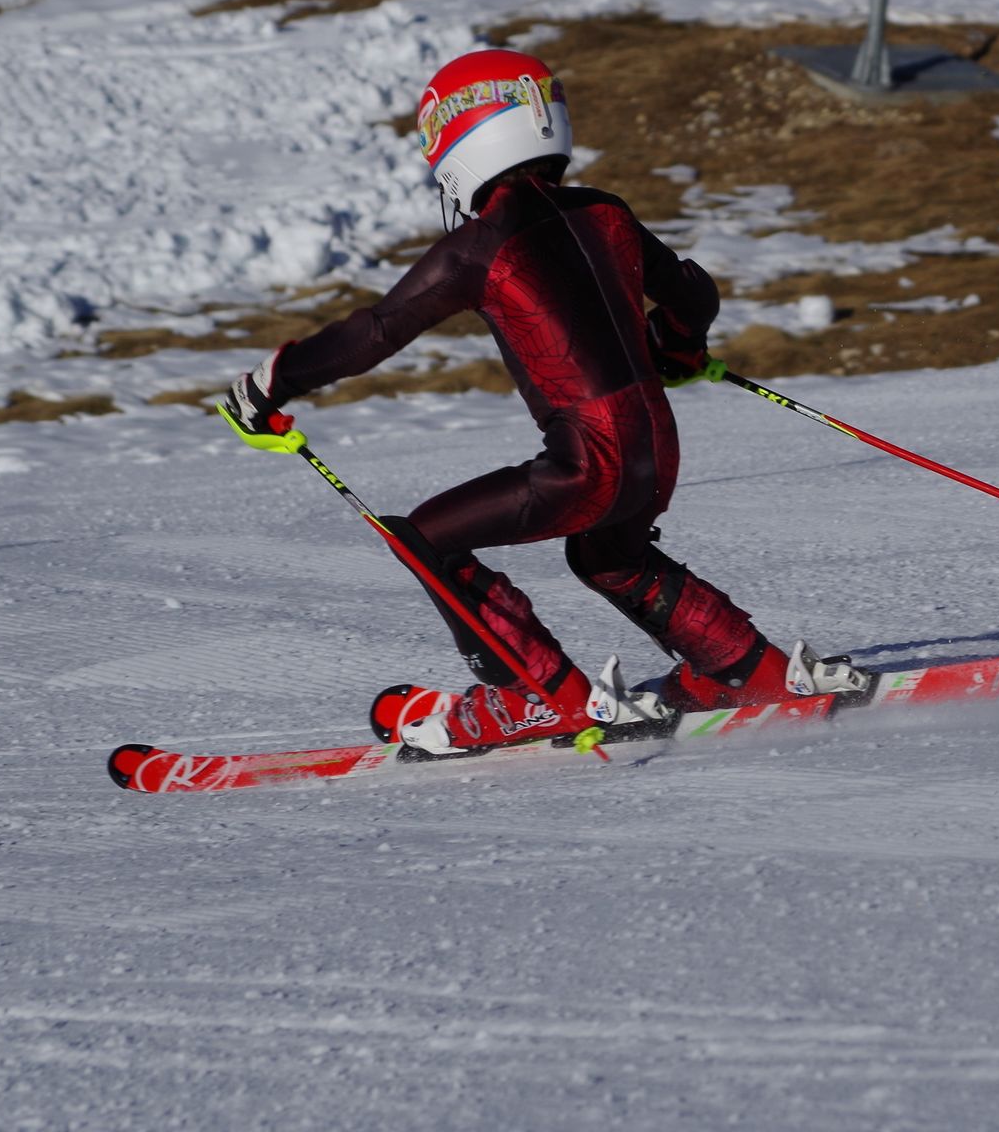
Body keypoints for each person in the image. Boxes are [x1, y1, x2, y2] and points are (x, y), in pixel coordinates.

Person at [219, 46, 864, 754]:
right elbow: (692, 291)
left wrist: (270, 384)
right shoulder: (605, 212)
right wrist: (677, 348)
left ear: (459, 138)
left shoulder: (477, 248)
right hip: (655, 445)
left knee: (425, 538)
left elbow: (373, 333)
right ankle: (747, 670)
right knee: (609, 554)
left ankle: (530, 699)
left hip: (590, 460)